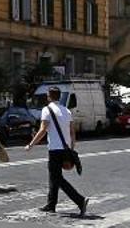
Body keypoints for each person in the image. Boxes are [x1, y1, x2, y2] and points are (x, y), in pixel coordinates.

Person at [26, 85, 87, 215]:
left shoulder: (46, 110)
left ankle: (80, 200)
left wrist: (31, 144)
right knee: (53, 177)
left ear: (49, 96)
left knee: (57, 178)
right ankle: (51, 204)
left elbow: (43, 130)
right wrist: (71, 148)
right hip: (65, 148)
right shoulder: (66, 110)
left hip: (54, 149)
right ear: (59, 97)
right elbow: (72, 132)